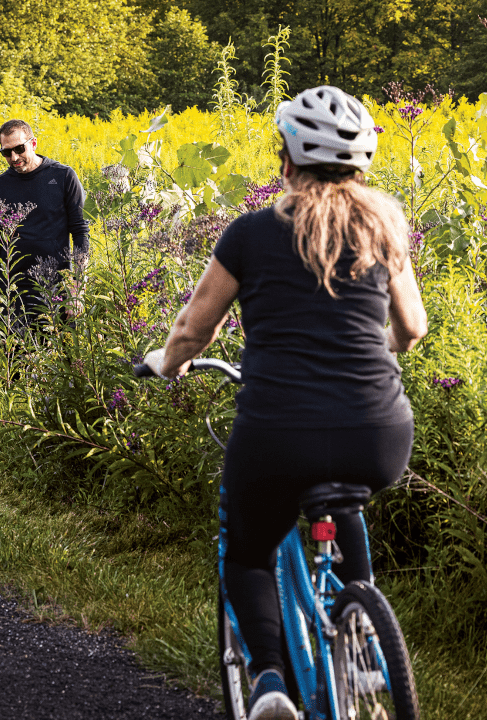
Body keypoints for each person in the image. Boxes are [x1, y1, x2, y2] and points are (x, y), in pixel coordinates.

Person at [143, 86, 427, 720]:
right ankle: (357, 631)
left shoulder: (251, 233)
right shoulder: (384, 225)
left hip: (277, 429)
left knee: (247, 550)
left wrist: (169, 364)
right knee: (343, 495)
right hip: (377, 431)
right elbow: (412, 329)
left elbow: (195, 327)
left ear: (286, 159)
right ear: (361, 164)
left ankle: (270, 680)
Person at [0, 119, 89, 327]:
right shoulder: (0, 186)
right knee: (19, 356)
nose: (14, 157)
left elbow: (80, 233)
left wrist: (77, 289)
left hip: (57, 289)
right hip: (14, 292)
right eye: (6, 152)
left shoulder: (63, 176)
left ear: (33, 143)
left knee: (62, 355)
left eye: (19, 149)